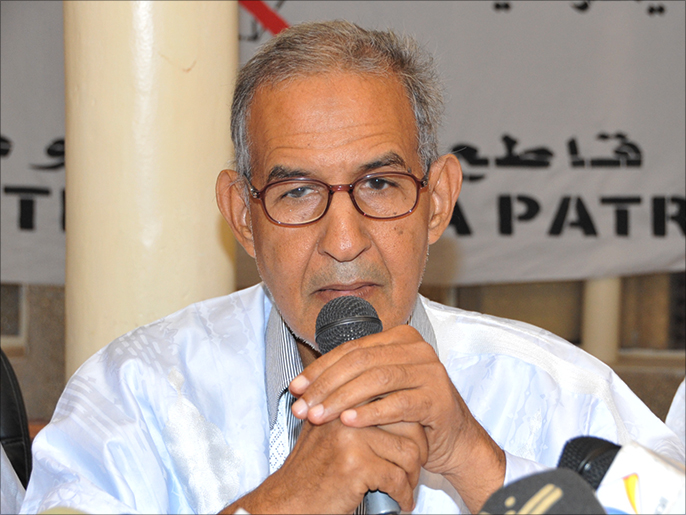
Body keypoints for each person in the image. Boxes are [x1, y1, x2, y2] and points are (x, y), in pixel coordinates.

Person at [21, 21, 684, 515]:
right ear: (243, 216)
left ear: (437, 201)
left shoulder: (555, 395)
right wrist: (280, 504)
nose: (343, 242)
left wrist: (481, 464)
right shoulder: (138, 395)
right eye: (297, 192)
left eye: (380, 185)